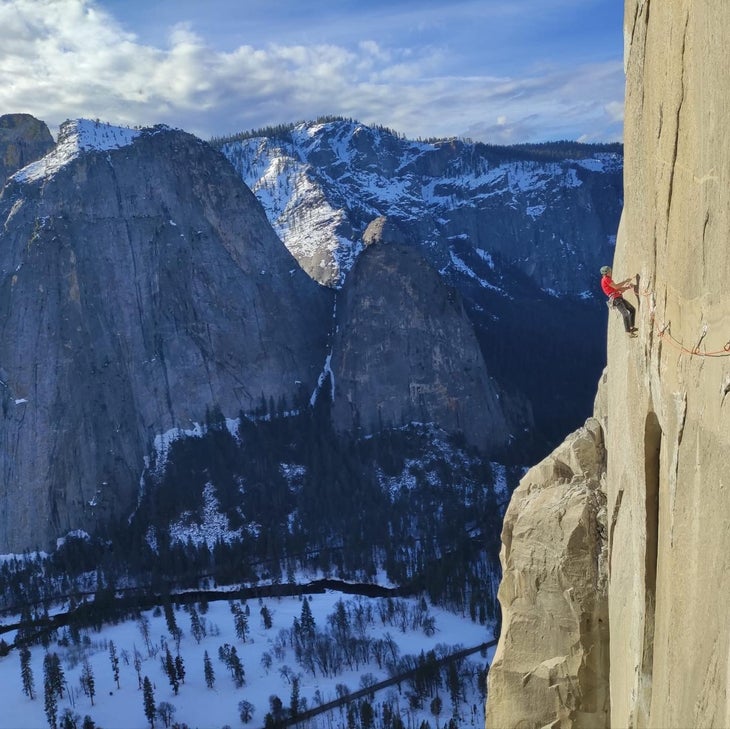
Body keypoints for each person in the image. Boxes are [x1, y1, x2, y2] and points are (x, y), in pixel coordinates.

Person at [600, 265, 637, 336]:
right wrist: (626, 281)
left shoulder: (607, 280)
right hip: (616, 299)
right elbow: (616, 286)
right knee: (625, 313)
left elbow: (617, 289)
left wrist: (628, 287)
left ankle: (631, 327)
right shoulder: (606, 279)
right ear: (606, 273)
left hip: (618, 297)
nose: (611, 272)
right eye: (609, 271)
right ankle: (628, 332)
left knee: (632, 309)